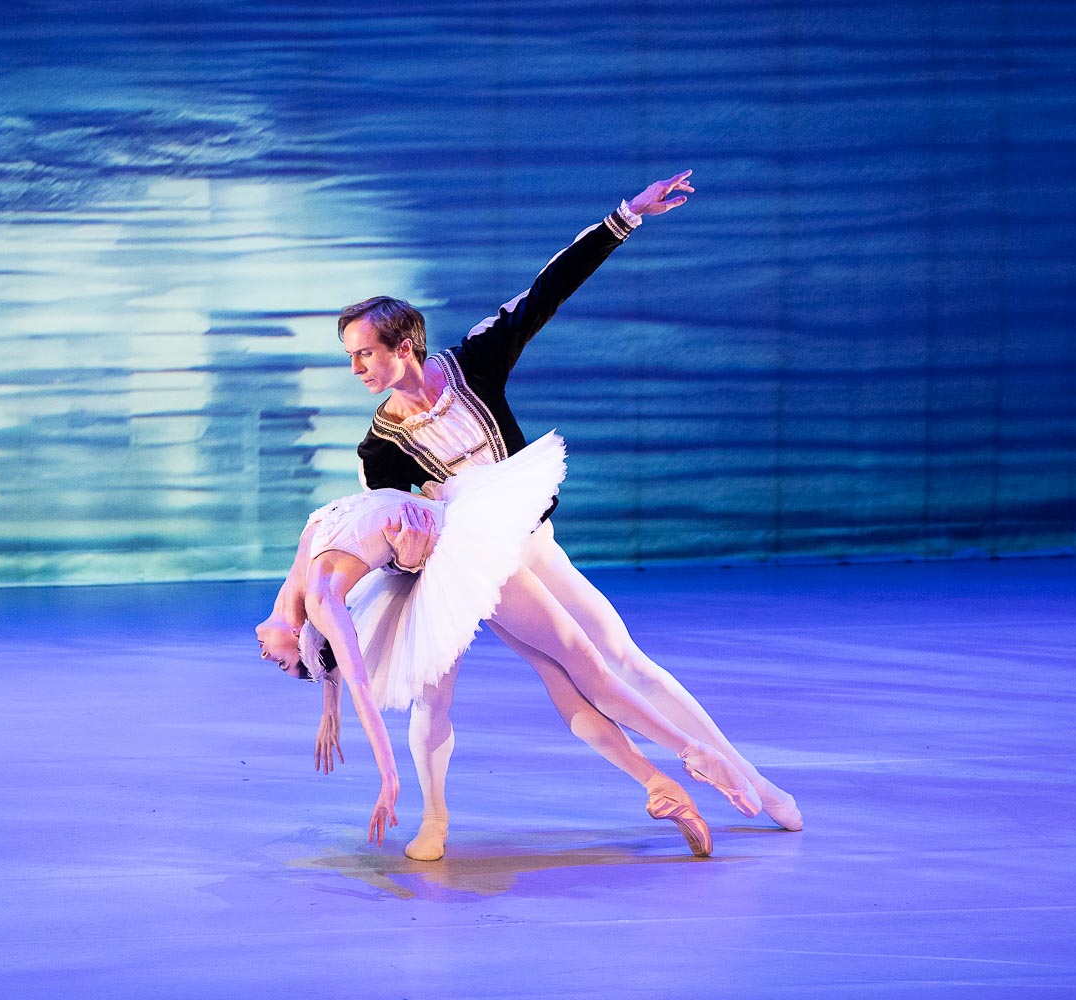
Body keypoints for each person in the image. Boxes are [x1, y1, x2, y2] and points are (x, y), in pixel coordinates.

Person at [335, 170, 802, 860]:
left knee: (612, 661)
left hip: (535, 544)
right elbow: (391, 540)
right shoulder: (380, 447)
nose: (357, 369)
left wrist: (627, 216)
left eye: (364, 353)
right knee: (565, 672)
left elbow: (548, 290)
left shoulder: (475, 362)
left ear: (404, 346)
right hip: (478, 577)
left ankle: (738, 772)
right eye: (350, 357)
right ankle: (673, 773)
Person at [256, 434, 757, 858]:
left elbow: (341, 662)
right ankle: (668, 774)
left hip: (452, 544)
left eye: (286, 667)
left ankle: (681, 765)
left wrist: (330, 704)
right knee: (475, 689)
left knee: (571, 665)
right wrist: (372, 756)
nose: (270, 661)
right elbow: (347, 669)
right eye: (286, 667)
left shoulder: (308, 586)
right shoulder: (319, 597)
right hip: (431, 568)